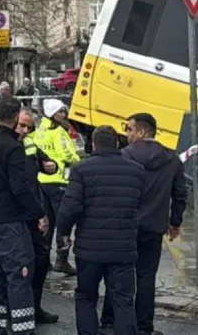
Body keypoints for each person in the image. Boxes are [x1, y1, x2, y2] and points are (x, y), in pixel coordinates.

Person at [100, 113, 188, 335]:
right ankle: (144, 327)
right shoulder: (172, 159)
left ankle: (110, 322)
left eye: (129, 129)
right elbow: (180, 194)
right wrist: (175, 222)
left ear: (140, 132)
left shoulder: (123, 156)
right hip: (154, 227)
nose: (126, 133)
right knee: (146, 277)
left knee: (117, 273)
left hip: (124, 227)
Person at [56, 125, 146, 335]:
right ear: (116, 143)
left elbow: (69, 207)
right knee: (123, 299)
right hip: (123, 248)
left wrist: (64, 233)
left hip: (89, 249)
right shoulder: (136, 171)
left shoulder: (81, 169)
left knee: (86, 297)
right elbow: (139, 204)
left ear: (93, 144)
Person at [0, 96, 47, 335]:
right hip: (10, 222)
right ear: (15, 118)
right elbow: (20, 188)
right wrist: (39, 214)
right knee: (19, 275)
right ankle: (23, 329)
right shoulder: (13, 147)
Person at [15, 107, 60, 325]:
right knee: (18, 266)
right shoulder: (6, 145)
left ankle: (35, 306)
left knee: (41, 261)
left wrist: (52, 166)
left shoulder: (30, 143)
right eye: (21, 125)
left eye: (28, 127)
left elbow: (48, 163)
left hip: (35, 211)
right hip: (15, 215)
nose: (24, 130)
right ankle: (17, 311)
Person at [33, 98, 80, 276]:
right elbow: (68, 155)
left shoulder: (40, 131)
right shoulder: (59, 132)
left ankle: (44, 261)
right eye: (60, 111)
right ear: (53, 113)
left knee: (47, 222)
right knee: (63, 221)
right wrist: (79, 161)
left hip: (42, 181)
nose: (64, 115)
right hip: (59, 181)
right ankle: (61, 260)